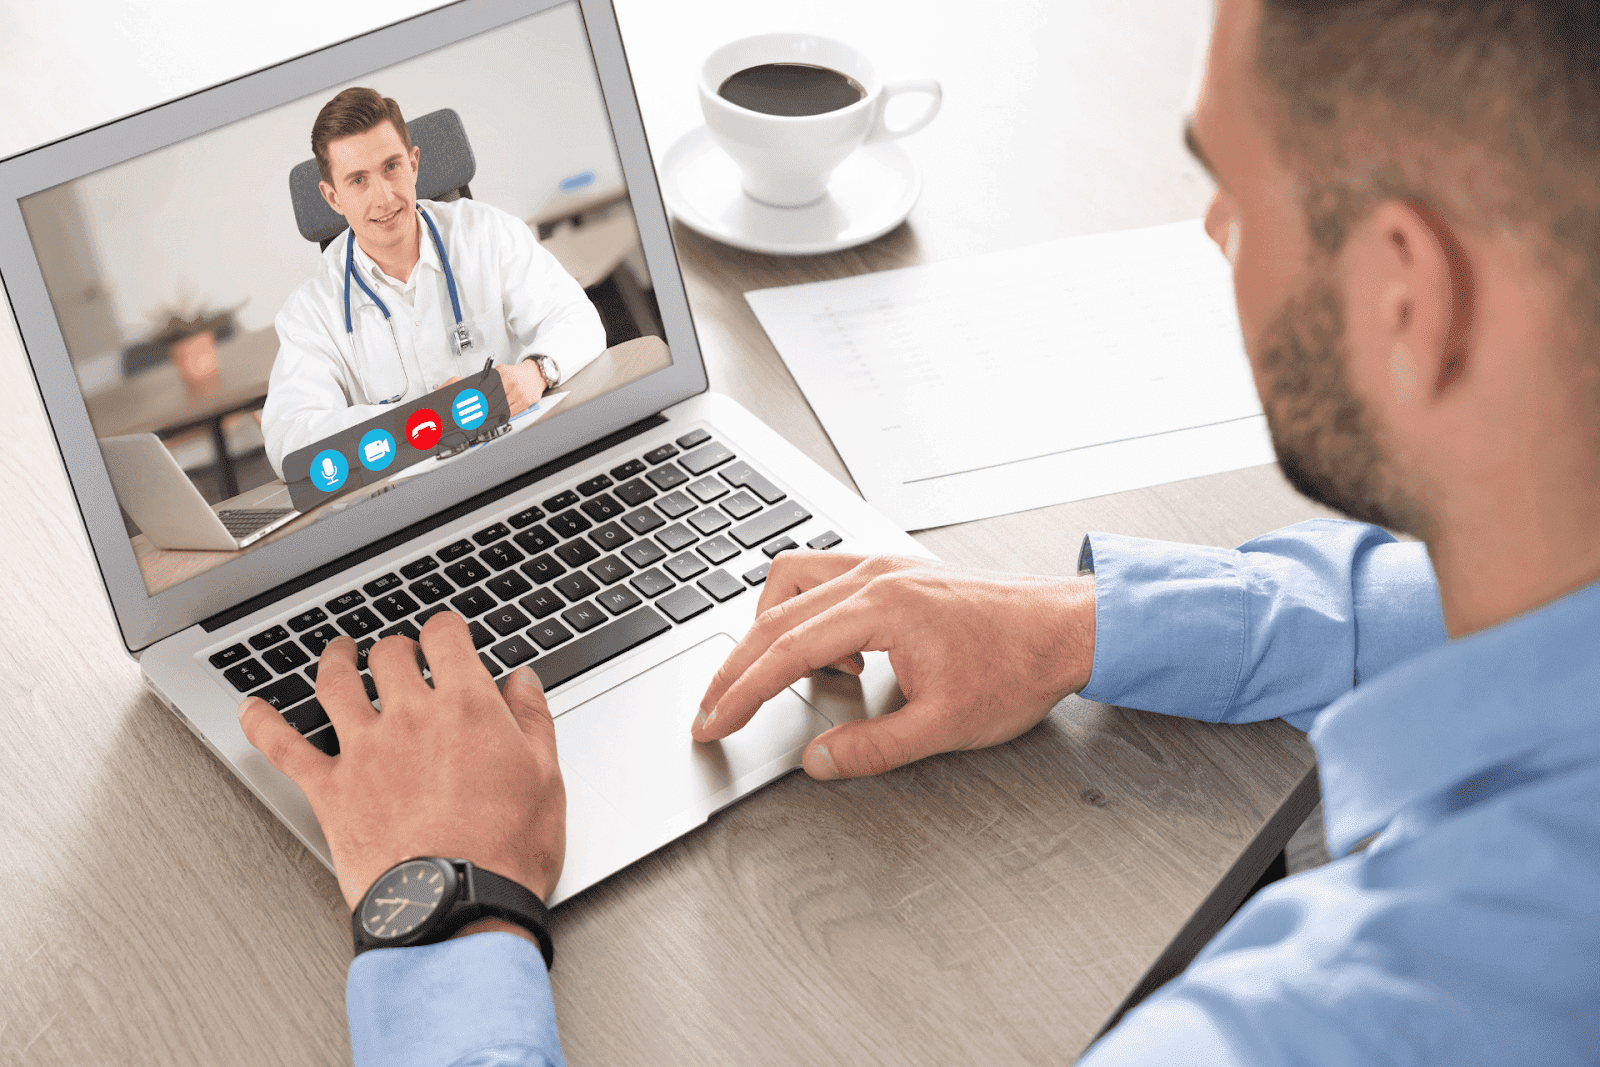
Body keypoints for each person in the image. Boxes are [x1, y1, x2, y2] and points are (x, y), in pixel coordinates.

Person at [238, 0, 1600, 1063]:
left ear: (1406, 293)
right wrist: (1084, 623)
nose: (1212, 231)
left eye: (1237, 191)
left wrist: (450, 908)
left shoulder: (1335, 1021)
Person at [261, 87, 606, 479]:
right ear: (333, 197)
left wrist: (535, 373)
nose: (384, 197)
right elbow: (291, 438)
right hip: (408, 499)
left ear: (414, 164)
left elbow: (577, 316)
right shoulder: (310, 310)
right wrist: (419, 423)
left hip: (520, 464)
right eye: (358, 180)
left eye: (391, 166)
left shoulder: (486, 231)